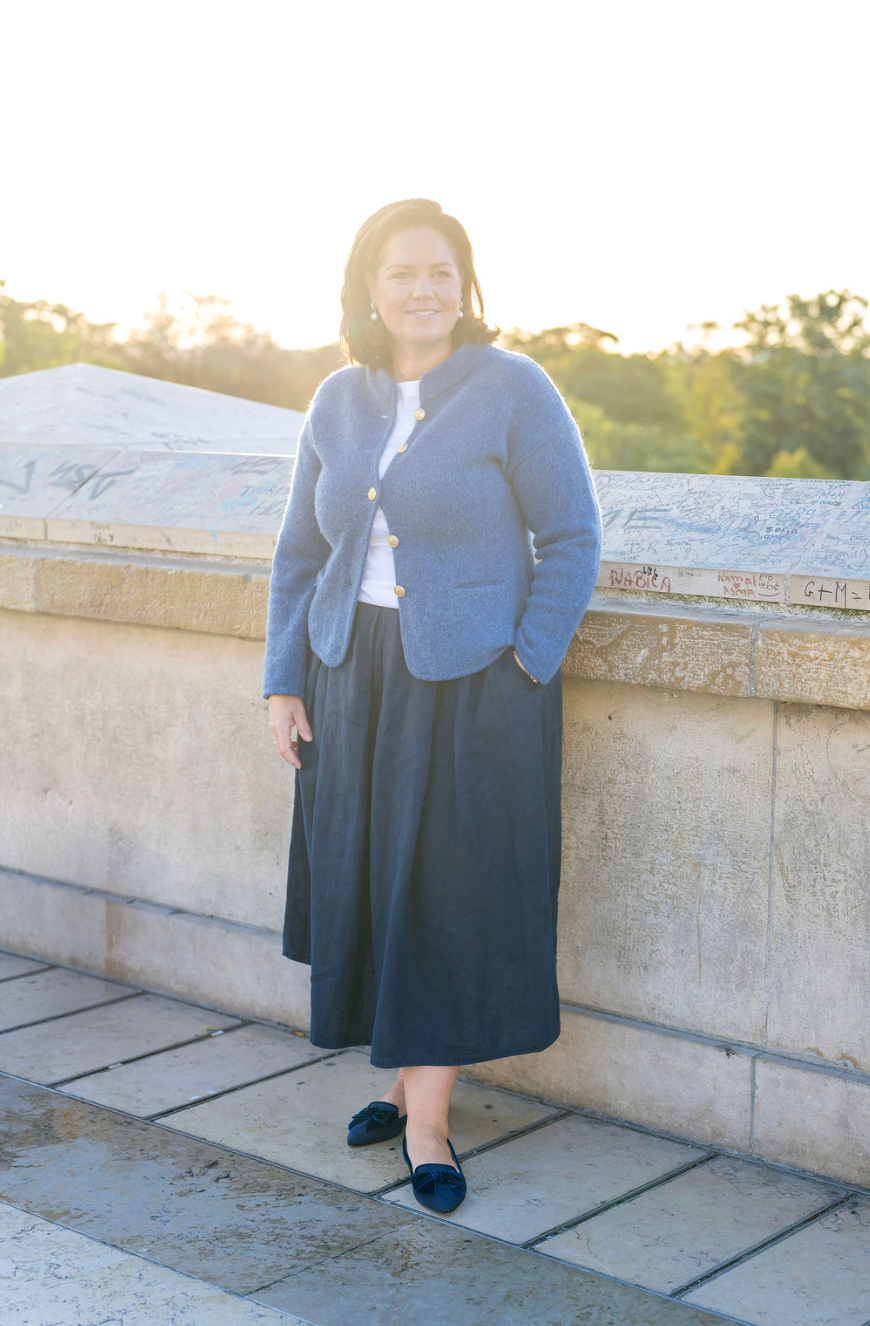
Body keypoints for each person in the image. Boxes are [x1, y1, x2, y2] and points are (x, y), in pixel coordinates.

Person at [263, 198, 602, 1213]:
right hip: (347, 674)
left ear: (467, 288)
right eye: (404, 273)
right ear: (370, 288)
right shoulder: (336, 398)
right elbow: (300, 555)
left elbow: (573, 539)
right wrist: (284, 679)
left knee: (446, 898)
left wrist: (525, 667)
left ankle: (426, 1123)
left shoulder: (512, 390)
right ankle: (404, 1067)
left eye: (442, 273)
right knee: (369, 882)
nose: (424, 290)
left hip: (469, 689)